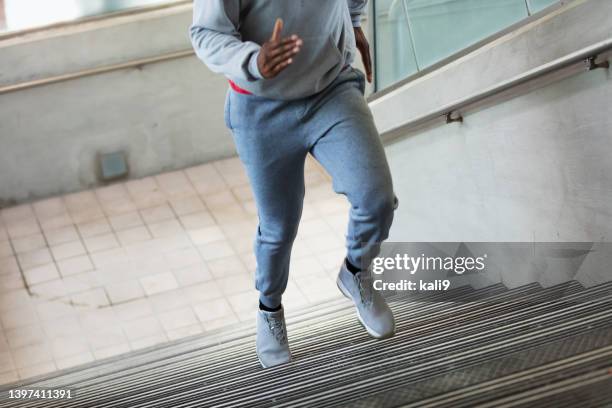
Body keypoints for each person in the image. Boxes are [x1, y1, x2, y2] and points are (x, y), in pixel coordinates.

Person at [190, 0, 397, 368]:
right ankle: (269, 308)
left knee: (376, 196)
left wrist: (352, 24)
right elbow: (206, 33)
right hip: (259, 107)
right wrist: (252, 61)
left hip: (332, 89)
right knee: (278, 227)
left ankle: (356, 272)